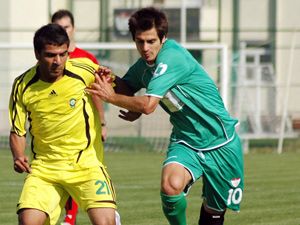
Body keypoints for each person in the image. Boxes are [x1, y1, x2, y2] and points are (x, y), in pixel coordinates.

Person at [87, 7, 244, 225]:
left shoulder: (172, 57)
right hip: (186, 140)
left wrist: (111, 97)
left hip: (221, 142)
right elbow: (127, 87)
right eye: (140, 41)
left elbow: (148, 105)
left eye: (151, 41)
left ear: (163, 38)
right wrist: (110, 79)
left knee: (214, 211)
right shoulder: (144, 66)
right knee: (170, 186)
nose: (145, 48)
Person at [9, 23, 117, 225]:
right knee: (27, 222)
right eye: (50, 55)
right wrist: (18, 155)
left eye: (63, 54)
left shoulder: (85, 69)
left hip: (87, 165)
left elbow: (123, 88)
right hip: (45, 170)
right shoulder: (22, 85)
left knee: (105, 223)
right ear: (37, 54)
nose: (58, 61)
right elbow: (17, 131)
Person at [51, 9, 108, 225]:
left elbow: (97, 94)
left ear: (73, 29)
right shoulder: (50, 60)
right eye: (58, 27)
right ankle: (67, 216)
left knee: (85, 171)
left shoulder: (86, 59)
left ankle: (72, 217)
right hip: (58, 130)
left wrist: (102, 123)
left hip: (85, 130)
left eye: (65, 27)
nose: (62, 31)